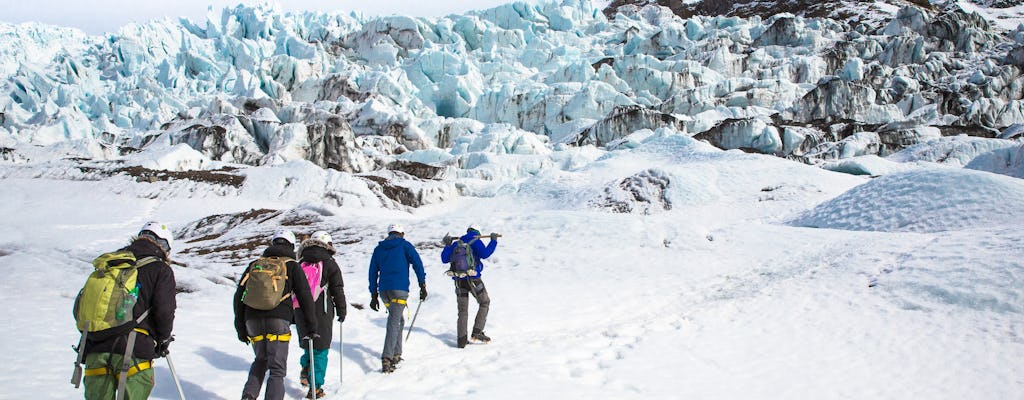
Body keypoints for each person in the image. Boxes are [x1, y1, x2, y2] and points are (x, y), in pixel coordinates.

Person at [80, 221, 178, 400]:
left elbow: (80, 307)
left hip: (95, 348)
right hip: (134, 350)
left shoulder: (110, 264)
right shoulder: (160, 269)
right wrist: (163, 338)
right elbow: (164, 310)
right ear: (164, 246)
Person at [234, 230, 319, 400]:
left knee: (260, 360)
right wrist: (311, 326)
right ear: (292, 246)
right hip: (278, 319)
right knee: (277, 369)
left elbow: (239, 296)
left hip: (252, 320)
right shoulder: (291, 265)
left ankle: (248, 396)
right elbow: (305, 297)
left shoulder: (255, 264)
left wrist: (241, 327)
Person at [294, 231, 347, 399]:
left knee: (308, 343)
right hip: (321, 312)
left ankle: (306, 369)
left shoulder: (300, 262)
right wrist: (341, 310)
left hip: (300, 311)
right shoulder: (330, 264)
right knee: (321, 349)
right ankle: (315, 387)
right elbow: (337, 289)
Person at [367, 223, 426, 373]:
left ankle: (397, 354)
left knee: (398, 320)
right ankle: (387, 357)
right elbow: (417, 264)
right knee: (394, 321)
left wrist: (373, 294)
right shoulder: (405, 245)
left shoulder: (379, 249)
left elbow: (372, 272)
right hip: (399, 289)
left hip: (384, 291)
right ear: (402, 233)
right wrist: (422, 284)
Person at [441, 224, 498, 348]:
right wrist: (493, 241)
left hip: (459, 280)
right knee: (484, 302)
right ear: (477, 231)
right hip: (473, 279)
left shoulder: (457, 243)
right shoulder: (476, 240)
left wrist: (447, 245)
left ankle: (461, 340)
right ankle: (477, 332)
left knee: (462, 310)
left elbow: (444, 259)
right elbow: (485, 254)